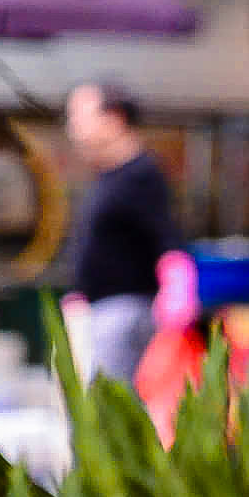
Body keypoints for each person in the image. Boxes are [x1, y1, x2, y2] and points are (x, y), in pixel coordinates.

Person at [61, 82, 177, 382]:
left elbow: (167, 239)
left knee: (110, 412)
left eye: (80, 115)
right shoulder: (108, 177)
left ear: (114, 117)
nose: (73, 125)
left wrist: (177, 289)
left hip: (124, 315)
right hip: (99, 313)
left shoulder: (141, 175)